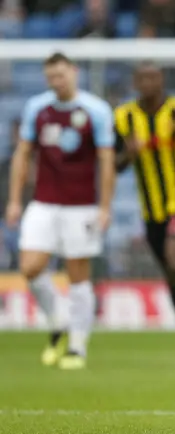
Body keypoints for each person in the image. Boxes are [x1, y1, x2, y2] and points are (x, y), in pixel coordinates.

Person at [5, 52, 116, 370]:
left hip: (81, 206)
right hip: (43, 201)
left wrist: (105, 206)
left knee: (77, 274)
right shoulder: (37, 108)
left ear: (74, 73)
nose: (57, 82)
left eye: (61, 75)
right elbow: (23, 154)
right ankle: (58, 319)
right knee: (29, 267)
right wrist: (14, 200)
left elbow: (106, 161)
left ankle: (77, 346)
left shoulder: (95, 110)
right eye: (51, 77)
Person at [114, 62, 175, 370]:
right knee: (171, 273)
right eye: (142, 78)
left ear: (161, 80)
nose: (148, 83)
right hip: (152, 209)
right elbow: (115, 165)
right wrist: (128, 154)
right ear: (135, 81)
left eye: (153, 77)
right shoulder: (123, 119)